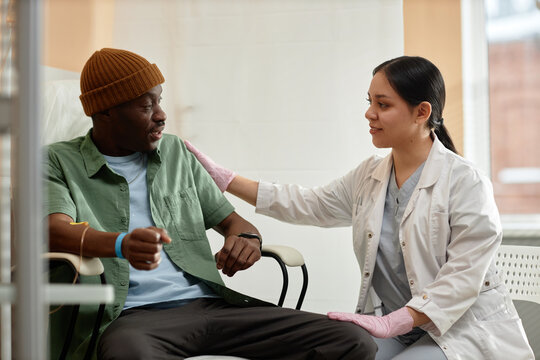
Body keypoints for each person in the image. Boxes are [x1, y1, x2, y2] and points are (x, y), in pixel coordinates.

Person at [185, 56, 535, 360]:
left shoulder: (465, 181)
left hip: (461, 331)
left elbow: (462, 277)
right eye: (369, 102)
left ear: (422, 112)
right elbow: (309, 203)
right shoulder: (371, 174)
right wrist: (226, 179)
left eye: (383, 104)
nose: (369, 113)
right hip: (398, 330)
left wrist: (392, 321)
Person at [45, 48, 377, 360]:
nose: (161, 116)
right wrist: (121, 244)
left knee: (351, 341)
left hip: (212, 305)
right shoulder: (57, 161)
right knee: (131, 355)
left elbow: (233, 222)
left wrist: (248, 240)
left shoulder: (174, 152)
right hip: (134, 318)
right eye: (146, 106)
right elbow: (52, 231)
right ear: (104, 111)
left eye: (159, 102)